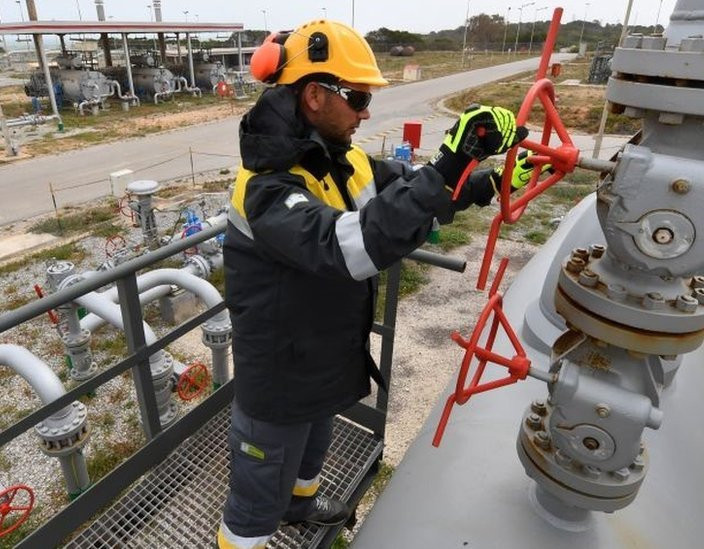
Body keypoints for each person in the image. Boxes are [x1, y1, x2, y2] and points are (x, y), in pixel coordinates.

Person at [218, 18, 531, 549]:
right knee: (254, 503)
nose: (366, 113)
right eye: (359, 98)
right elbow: (347, 247)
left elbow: (409, 193)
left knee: (312, 449)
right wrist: (449, 162)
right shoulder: (266, 188)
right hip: (278, 376)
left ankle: (301, 505)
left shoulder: (342, 158)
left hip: (321, 356)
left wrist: (485, 182)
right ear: (314, 95)